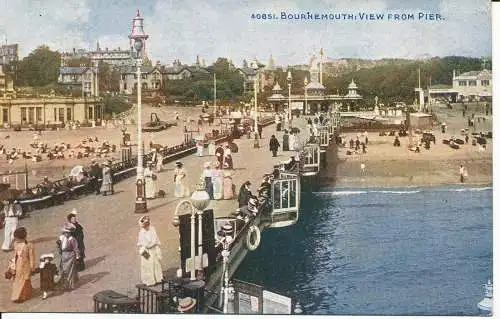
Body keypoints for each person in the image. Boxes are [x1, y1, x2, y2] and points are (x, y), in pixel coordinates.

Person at [10, 227, 35, 303]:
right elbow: (15, 255)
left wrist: (32, 267)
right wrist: (12, 265)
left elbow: (32, 257)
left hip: (25, 265)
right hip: (18, 264)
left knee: (25, 280)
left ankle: (22, 296)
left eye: (16, 238)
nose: (16, 239)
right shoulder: (16, 244)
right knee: (18, 280)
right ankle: (19, 295)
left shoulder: (29, 245)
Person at [137, 216, 163, 286]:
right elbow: (145, 244)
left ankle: (158, 278)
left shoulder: (152, 229)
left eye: (148, 223)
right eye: (145, 224)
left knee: (156, 264)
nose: (147, 226)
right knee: (147, 265)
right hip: (146, 251)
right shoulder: (141, 233)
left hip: (153, 249)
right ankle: (149, 281)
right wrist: (150, 245)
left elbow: (155, 239)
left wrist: (153, 244)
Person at [57, 224, 79, 291]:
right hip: (64, 255)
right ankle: (64, 283)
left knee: (70, 271)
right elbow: (59, 247)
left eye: (68, 233)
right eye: (65, 232)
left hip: (70, 256)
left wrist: (77, 257)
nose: (66, 234)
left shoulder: (72, 239)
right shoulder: (62, 238)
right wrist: (59, 247)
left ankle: (70, 285)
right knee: (63, 270)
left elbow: (76, 249)